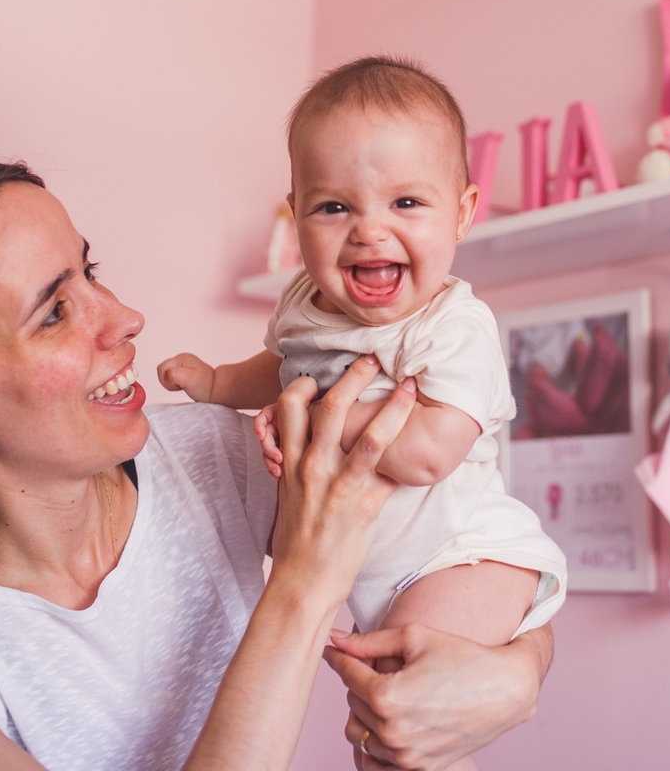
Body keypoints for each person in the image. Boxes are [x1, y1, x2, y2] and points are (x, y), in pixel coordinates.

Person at [0, 160, 555, 771]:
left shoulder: (217, 456)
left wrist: (516, 674)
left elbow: (458, 543)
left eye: (89, 272)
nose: (126, 319)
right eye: (55, 312)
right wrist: (303, 587)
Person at [158, 57, 567, 769]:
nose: (369, 231)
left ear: (462, 213)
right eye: (334, 207)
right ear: (297, 215)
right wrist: (220, 381)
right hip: (381, 569)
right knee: (382, 736)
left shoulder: (452, 328)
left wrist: (314, 417)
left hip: (460, 556)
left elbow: (430, 451)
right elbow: (284, 368)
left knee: (397, 724)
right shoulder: (303, 303)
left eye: (405, 202)